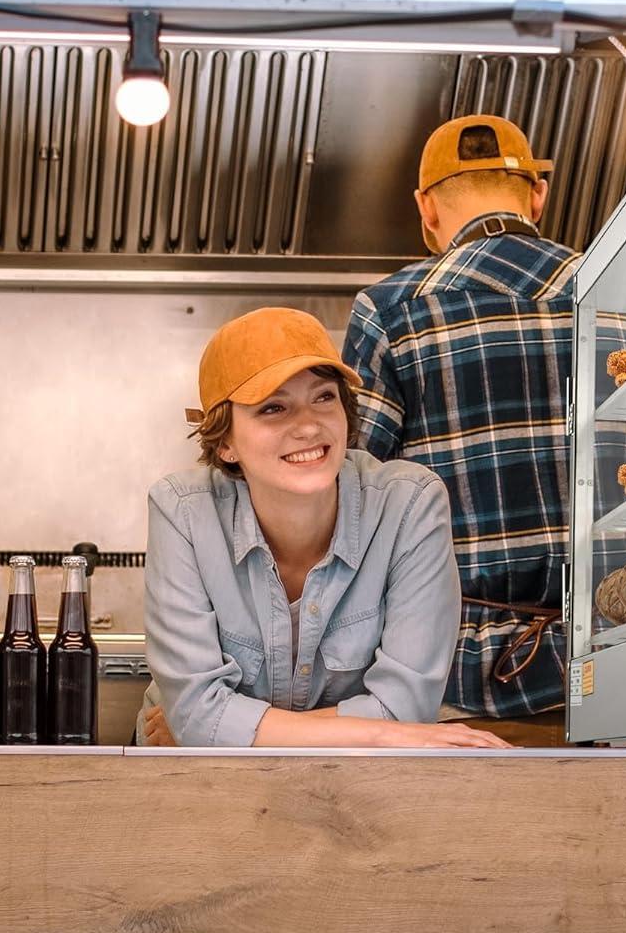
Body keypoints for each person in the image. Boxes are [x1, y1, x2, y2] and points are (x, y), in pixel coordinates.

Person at [139, 306, 507, 749]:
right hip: (202, 786)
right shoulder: (181, 511)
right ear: (226, 442)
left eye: (324, 397)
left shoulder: (410, 504)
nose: (309, 425)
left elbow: (407, 706)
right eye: (274, 407)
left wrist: (228, 726)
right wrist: (378, 732)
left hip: (346, 787)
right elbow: (199, 716)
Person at [341, 115, 591, 724]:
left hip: (453, 678)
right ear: (538, 194)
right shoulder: (625, 294)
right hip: (615, 668)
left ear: (426, 209)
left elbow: (344, 500)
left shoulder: (392, 309)